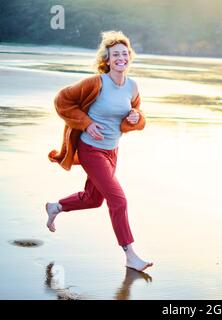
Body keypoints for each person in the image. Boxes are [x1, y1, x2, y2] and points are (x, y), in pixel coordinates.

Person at [46, 30, 153, 272]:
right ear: (107, 59)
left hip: (112, 151)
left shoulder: (132, 86)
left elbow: (137, 116)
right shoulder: (95, 83)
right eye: (115, 54)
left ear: (129, 57)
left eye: (125, 54)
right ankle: (130, 255)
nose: (121, 58)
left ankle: (56, 206)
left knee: (94, 199)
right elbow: (62, 100)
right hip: (90, 150)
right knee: (118, 200)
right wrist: (87, 123)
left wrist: (136, 117)